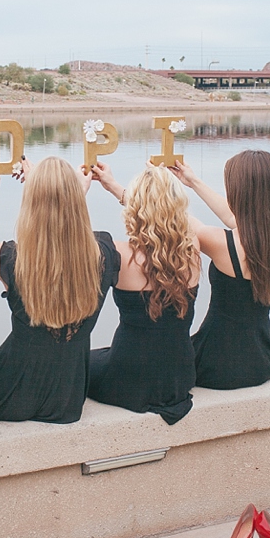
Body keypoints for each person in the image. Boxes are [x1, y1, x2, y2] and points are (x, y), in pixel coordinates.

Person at [0, 155, 120, 422]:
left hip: (9, 391)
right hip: (67, 399)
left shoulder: (15, 261)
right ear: (76, 200)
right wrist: (67, 194)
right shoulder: (105, 253)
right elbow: (71, 235)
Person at [170, 150, 270, 389]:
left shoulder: (221, 243)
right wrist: (193, 181)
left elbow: (176, 218)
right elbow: (231, 216)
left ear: (240, 192)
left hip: (218, 362)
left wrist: (150, 190)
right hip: (262, 359)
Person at [87, 162, 201, 424]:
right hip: (180, 375)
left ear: (136, 208)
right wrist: (115, 188)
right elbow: (162, 216)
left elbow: (67, 238)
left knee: (85, 361)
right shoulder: (193, 247)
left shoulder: (118, 254)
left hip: (128, 377)